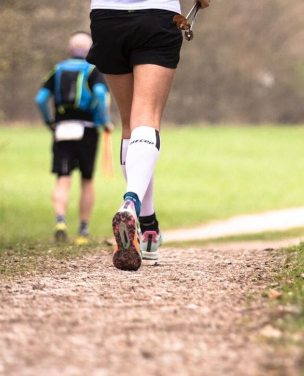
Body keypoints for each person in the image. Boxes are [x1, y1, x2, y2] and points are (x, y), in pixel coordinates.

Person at [86, 0, 212, 271]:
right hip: (156, 15)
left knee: (130, 124)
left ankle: (149, 228)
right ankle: (130, 203)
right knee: (146, 117)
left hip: (106, 18)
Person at [36, 32, 112, 246]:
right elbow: (99, 94)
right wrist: (104, 120)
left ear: (70, 50)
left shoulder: (57, 70)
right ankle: (83, 231)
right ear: (90, 52)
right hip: (87, 130)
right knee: (87, 180)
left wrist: (49, 121)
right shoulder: (93, 71)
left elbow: (40, 98)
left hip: (61, 129)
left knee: (63, 177)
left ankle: (60, 221)